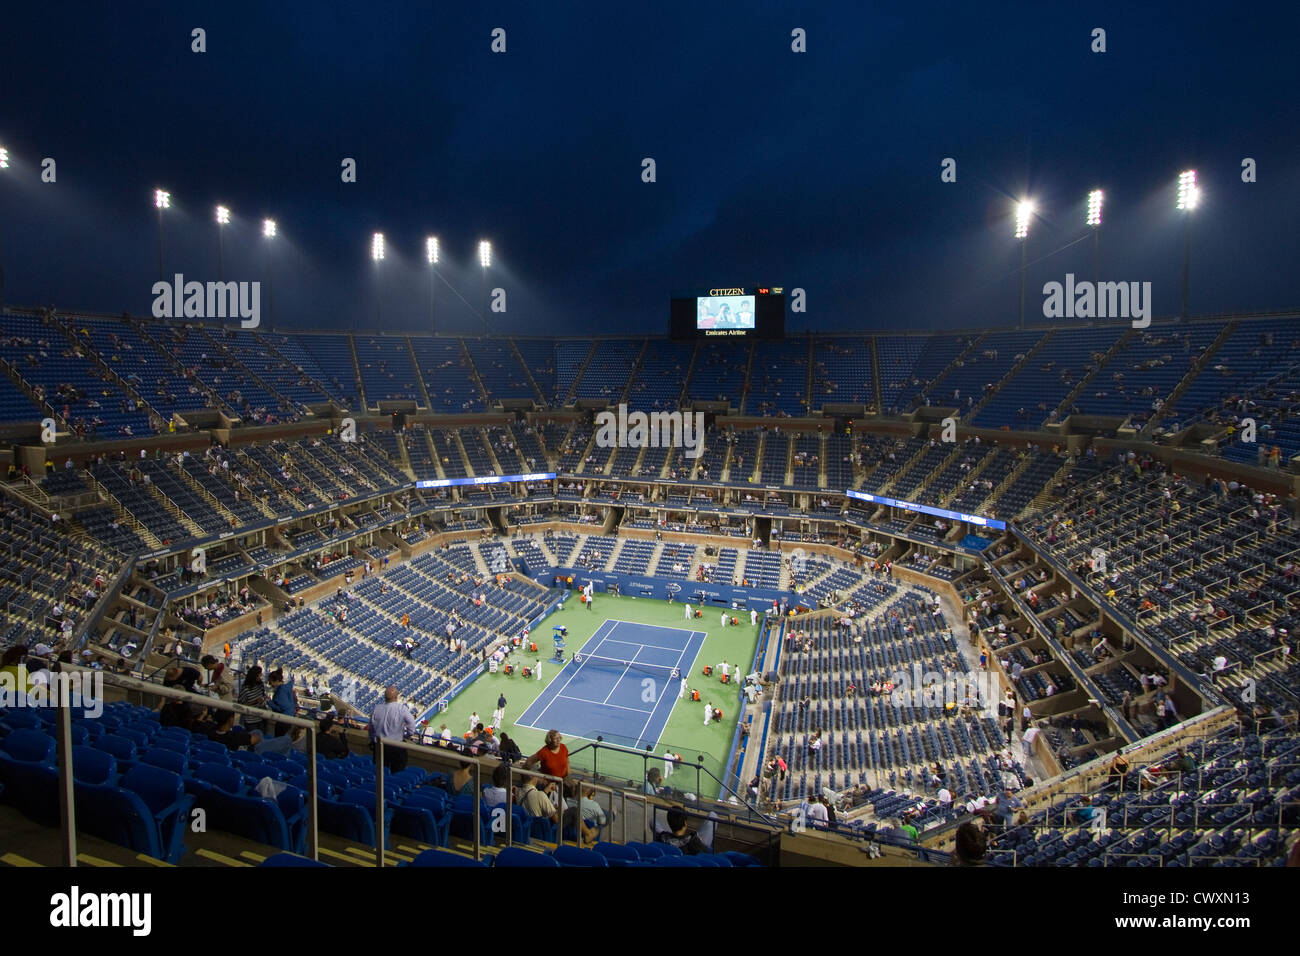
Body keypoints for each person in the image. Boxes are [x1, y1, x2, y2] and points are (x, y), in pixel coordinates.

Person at [369, 684, 416, 772]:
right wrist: (406, 735)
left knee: (380, 771)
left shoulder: (377, 708)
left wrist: (372, 740)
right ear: (396, 697)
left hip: (379, 745)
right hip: (395, 746)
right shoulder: (401, 708)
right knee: (397, 771)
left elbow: (371, 728)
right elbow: (411, 725)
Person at [237, 665, 268, 734]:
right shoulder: (245, 689)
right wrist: (254, 702)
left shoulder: (260, 685)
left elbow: (263, 695)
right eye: (259, 675)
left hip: (261, 717)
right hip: (250, 721)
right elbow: (240, 704)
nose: (261, 677)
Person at [268, 669, 297, 737]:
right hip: (289, 717)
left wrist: (269, 702)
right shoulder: (286, 687)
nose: (270, 684)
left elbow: (283, 708)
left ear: (277, 681)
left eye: (271, 682)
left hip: (284, 720)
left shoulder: (280, 692)